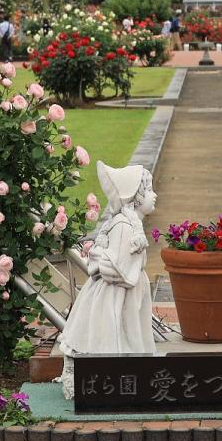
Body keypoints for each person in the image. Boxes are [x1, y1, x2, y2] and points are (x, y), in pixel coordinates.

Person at [57, 161, 158, 398]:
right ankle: (116, 380)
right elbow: (121, 270)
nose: (154, 195)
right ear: (136, 196)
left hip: (123, 294)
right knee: (116, 334)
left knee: (130, 333)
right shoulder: (125, 227)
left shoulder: (127, 225)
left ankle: (129, 376)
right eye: (149, 190)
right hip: (116, 295)